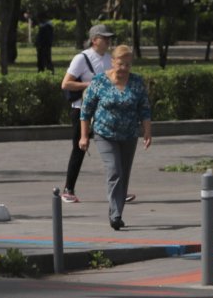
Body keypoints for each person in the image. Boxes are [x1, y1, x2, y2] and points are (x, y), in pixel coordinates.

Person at [79, 44, 152, 230]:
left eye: (128, 64)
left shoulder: (136, 82)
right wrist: (84, 136)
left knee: (124, 174)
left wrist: (147, 132)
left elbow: (144, 109)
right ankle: (115, 214)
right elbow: (86, 111)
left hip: (129, 134)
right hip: (105, 134)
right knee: (114, 170)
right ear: (112, 62)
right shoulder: (99, 81)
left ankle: (117, 210)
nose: (124, 68)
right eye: (121, 64)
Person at [58, 24, 114, 204]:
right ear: (94, 40)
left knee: (113, 149)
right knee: (79, 148)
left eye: (109, 38)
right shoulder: (81, 58)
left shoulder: (110, 59)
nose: (108, 40)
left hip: (104, 110)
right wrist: (89, 85)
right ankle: (68, 189)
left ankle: (119, 189)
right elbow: (66, 84)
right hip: (82, 110)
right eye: (104, 37)